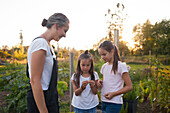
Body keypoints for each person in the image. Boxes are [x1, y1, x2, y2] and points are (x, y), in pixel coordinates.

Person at [27, 13, 69, 113]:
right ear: (56, 26)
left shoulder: (47, 45)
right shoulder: (40, 44)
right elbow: (35, 80)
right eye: (65, 30)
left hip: (49, 97)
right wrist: (43, 111)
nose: (65, 35)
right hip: (41, 99)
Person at [97, 40, 133, 113]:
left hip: (114, 102)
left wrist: (113, 94)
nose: (102, 57)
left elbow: (129, 86)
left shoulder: (121, 66)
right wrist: (99, 82)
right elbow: (109, 81)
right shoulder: (104, 66)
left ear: (112, 52)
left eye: (104, 54)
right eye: (101, 55)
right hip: (104, 101)